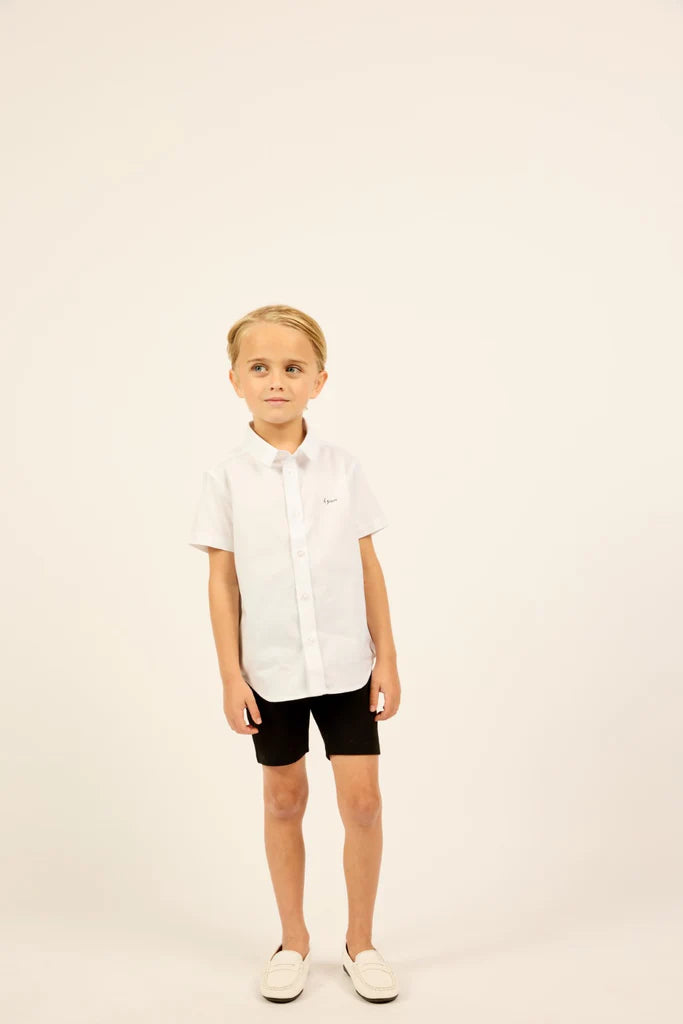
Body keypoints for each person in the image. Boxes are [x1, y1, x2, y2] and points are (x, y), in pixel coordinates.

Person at [188, 304, 401, 1003]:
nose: (275, 380)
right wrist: (230, 676)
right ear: (235, 381)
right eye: (260, 367)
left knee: (362, 802)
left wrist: (387, 658)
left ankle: (361, 944)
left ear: (318, 381)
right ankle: (292, 941)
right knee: (284, 798)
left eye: (292, 367)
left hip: (346, 665)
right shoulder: (226, 478)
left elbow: (368, 567)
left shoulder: (342, 468)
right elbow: (222, 583)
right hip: (270, 671)